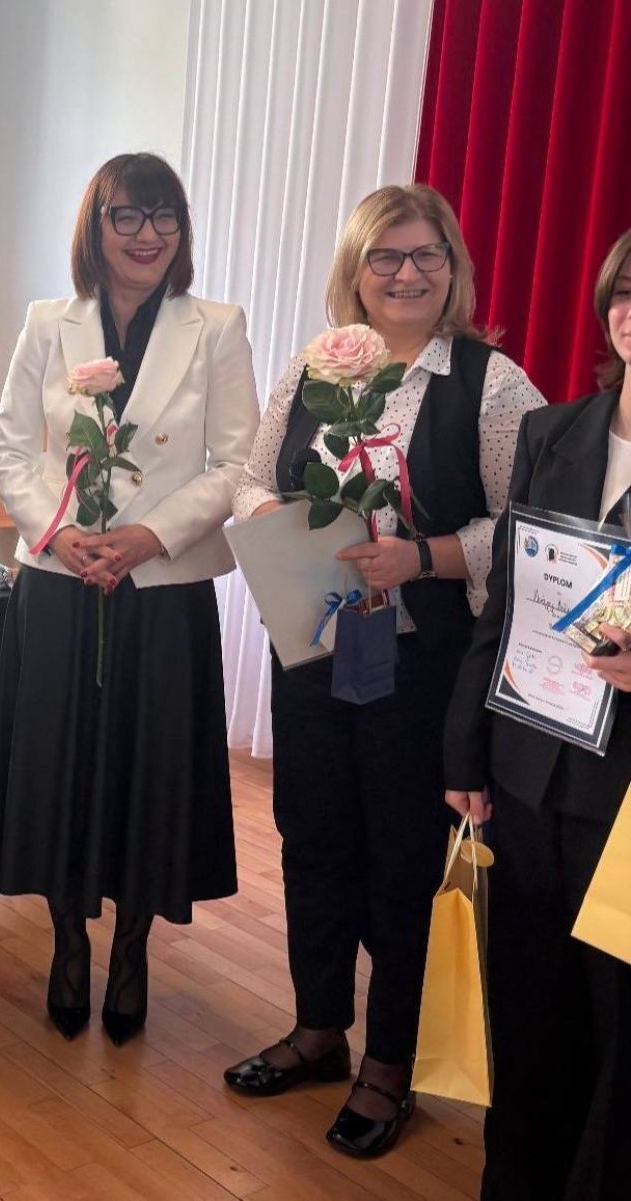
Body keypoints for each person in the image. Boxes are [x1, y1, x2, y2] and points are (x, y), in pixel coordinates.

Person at [223, 184, 544, 1157]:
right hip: (316, 645)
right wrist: (283, 524)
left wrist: (424, 555)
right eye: (384, 257)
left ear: (452, 266)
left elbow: (527, 525)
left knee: (402, 857)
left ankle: (390, 1064)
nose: (406, 273)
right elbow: (251, 476)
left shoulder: (490, 384)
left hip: (423, 660)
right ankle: (319, 1027)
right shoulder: (313, 365)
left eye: (425, 254)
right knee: (311, 834)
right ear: (354, 272)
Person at [0, 152, 260, 1046]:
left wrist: (149, 535)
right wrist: (58, 532)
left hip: (161, 587)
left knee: (151, 772)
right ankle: (68, 938)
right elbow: (10, 450)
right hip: (62, 581)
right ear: (95, 227)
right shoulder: (47, 321)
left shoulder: (216, 326)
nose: (147, 235)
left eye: (164, 216)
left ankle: (133, 947)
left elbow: (238, 463)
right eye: (127, 216)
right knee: (59, 765)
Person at [444, 228, 631, 1200]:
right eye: (626, 293)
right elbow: (508, 604)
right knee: (524, 1011)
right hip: (526, 769)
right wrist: (464, 747)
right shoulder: (551, 433)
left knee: (614, 1027)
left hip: (623, 799)